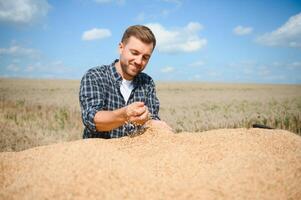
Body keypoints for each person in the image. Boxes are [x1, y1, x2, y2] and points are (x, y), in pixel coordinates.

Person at [79, 25, 170, 139]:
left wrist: (156, 125)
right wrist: (125, 114)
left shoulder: (147, 83)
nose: (139, 61)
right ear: (121, 48)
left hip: (134, 155)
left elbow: (150, 119)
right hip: (98, 154)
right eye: (134, 53)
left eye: (145, 57)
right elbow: (92, 119)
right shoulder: (95, 76)